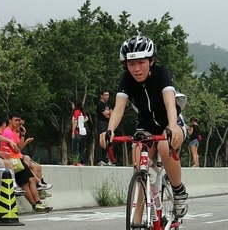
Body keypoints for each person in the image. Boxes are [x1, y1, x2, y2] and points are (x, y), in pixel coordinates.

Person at [100, 34, 188, 217]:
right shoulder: (127, 79)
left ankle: (178, 190)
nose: (136, 69)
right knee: (139, 163)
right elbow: (118, 108)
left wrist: (172, 126)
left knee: (164, 146)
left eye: (141, 62)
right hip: (146, 125)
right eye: (131, 64)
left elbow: (170, 104)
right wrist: (109, 131)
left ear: (151, 60)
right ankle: (137, 224)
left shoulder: (162, 74)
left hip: (170, 121)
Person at [95, 91, 112, 166]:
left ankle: (106, 159)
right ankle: (99, 159)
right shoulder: (99, 104)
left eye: (108, 95)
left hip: (108, 123)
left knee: (107, 140)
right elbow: (105, 114)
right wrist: (109, 113)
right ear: (101, 96)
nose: (107, 96)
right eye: (105, 95)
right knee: (100, 140)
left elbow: (110, 114)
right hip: (101, 123)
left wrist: (109, 113)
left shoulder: (108, 104)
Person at [71, 100, 88, 165]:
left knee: (75, 147)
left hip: (77, 132)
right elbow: (86, 118)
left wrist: (73, 131)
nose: (72, 106)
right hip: (82, 132)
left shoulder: (76, 112)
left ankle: (76, 161)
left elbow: (75, 121)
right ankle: (82, 161)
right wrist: (81, 122)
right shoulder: (81, 112)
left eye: (72, 104)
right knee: (81, 147)